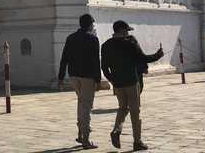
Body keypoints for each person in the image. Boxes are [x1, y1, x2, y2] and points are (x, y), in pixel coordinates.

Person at [101, 20, 164, 152]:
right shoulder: (130, 44)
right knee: (135, 111)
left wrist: (111, 79)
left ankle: (117, 130)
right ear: (121, 30)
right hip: (131, 81)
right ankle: (137, 141)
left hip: (117, 83)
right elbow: (144, 58)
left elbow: (104, 66)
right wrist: (158, 55)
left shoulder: (106, 45)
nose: (127, 32)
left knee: (122, 107)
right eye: (126, 30)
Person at [57, 14, 101, 150]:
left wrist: (60, 76)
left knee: (81, 102)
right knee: (87, 105)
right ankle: (86, 139)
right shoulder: (92, 38)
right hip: (88, 75)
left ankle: (80, 132)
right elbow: (95, 60)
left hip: (74, 74)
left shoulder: (71, 38)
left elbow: (64, 58)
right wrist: (98, 79)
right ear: (89, 25)